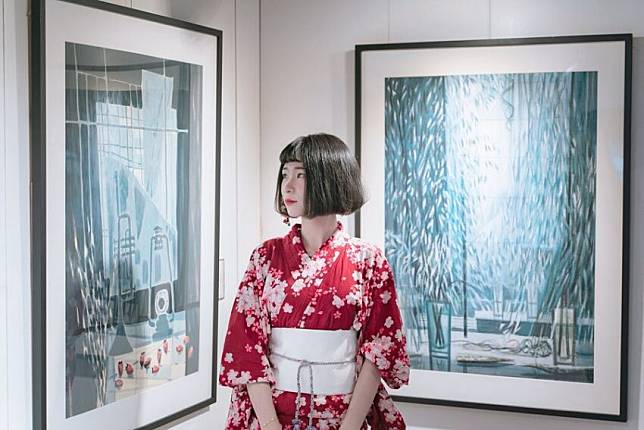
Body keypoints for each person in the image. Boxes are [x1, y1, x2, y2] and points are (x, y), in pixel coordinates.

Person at [219, 133, 410, 429]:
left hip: (344, 415)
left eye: (301, 175)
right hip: (273, 415)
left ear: (330, 179)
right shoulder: (265, 256)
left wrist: (350, 426)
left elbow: (380, 349)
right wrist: (269, 424)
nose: (287, 185)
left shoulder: (368, 260)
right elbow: (247, 347)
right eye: (285, 174)